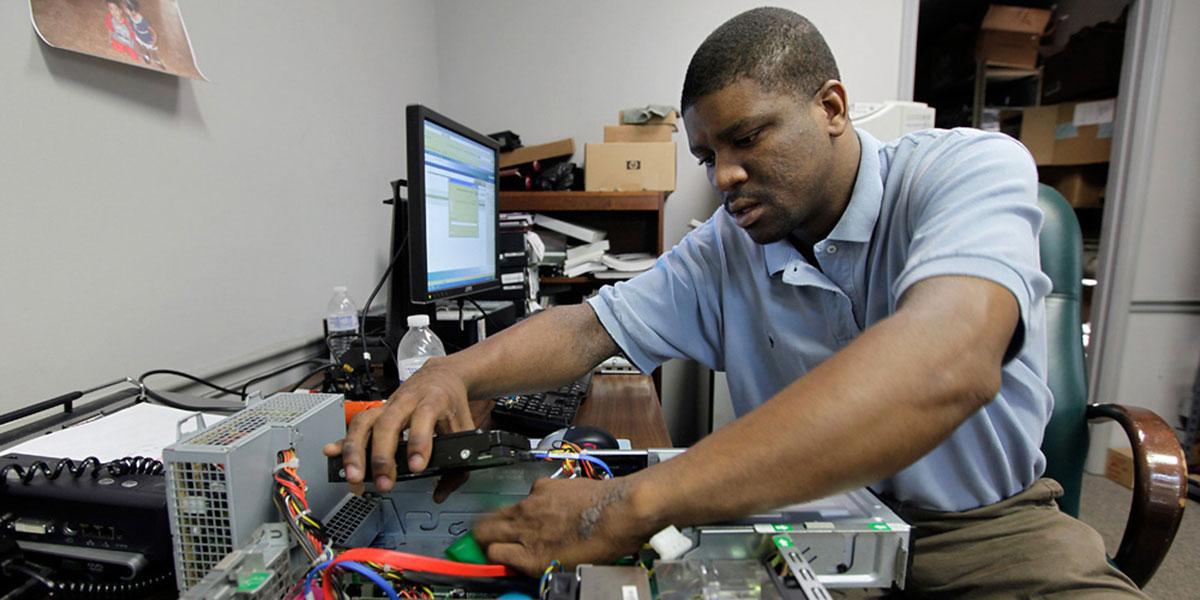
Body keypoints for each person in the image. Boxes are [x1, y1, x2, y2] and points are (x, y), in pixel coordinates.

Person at [325, 7, 1146, 598]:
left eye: (746, 138)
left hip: (982, 534)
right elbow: (586, 327)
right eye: (707, 154)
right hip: (787, 521)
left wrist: (626, 503)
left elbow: (946, 365)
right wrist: (452, 375)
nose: (722, 177)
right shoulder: (729, 243)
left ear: (831, 107)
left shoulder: (967, 171)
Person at [123, 0, 165, 69]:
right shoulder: (130, 16)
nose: (125, 10)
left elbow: (154, 34)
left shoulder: (143, 21)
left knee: (153, 53)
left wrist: (153, 43)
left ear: (133, 11)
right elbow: (131, 24)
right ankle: (146, 56)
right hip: (139, 37)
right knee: (142, 48)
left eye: (126, 9)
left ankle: (157, 61)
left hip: (148, 40)